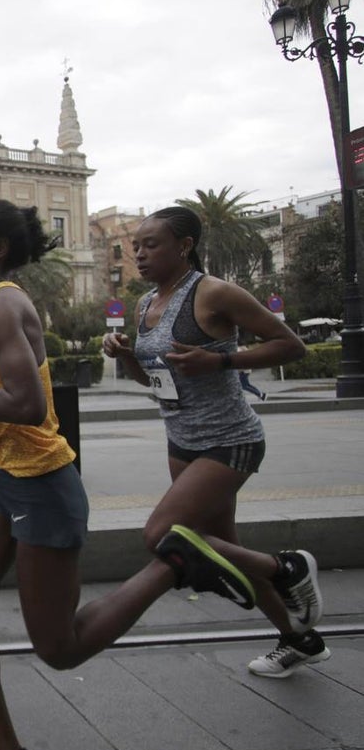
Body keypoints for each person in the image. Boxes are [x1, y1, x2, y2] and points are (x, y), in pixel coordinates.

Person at [0, 200, 320, 750]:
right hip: (2, 476)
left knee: (61, 648)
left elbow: (29, 405)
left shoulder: (2, 306)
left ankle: (175, 565)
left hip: (42, 485)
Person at [104, 205, 326, 682]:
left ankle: (286, 568)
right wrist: (127, 357)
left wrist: (221, 362)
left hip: (230, 441)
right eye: (136, 246)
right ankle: (299, 639)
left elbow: (292, 346)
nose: (139, 254)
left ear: (184, 246)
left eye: (151, 245)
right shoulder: (145, 304)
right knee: (223, 546)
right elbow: (152, 380)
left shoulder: (213, 293)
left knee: (162, 535)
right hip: (181, 441)